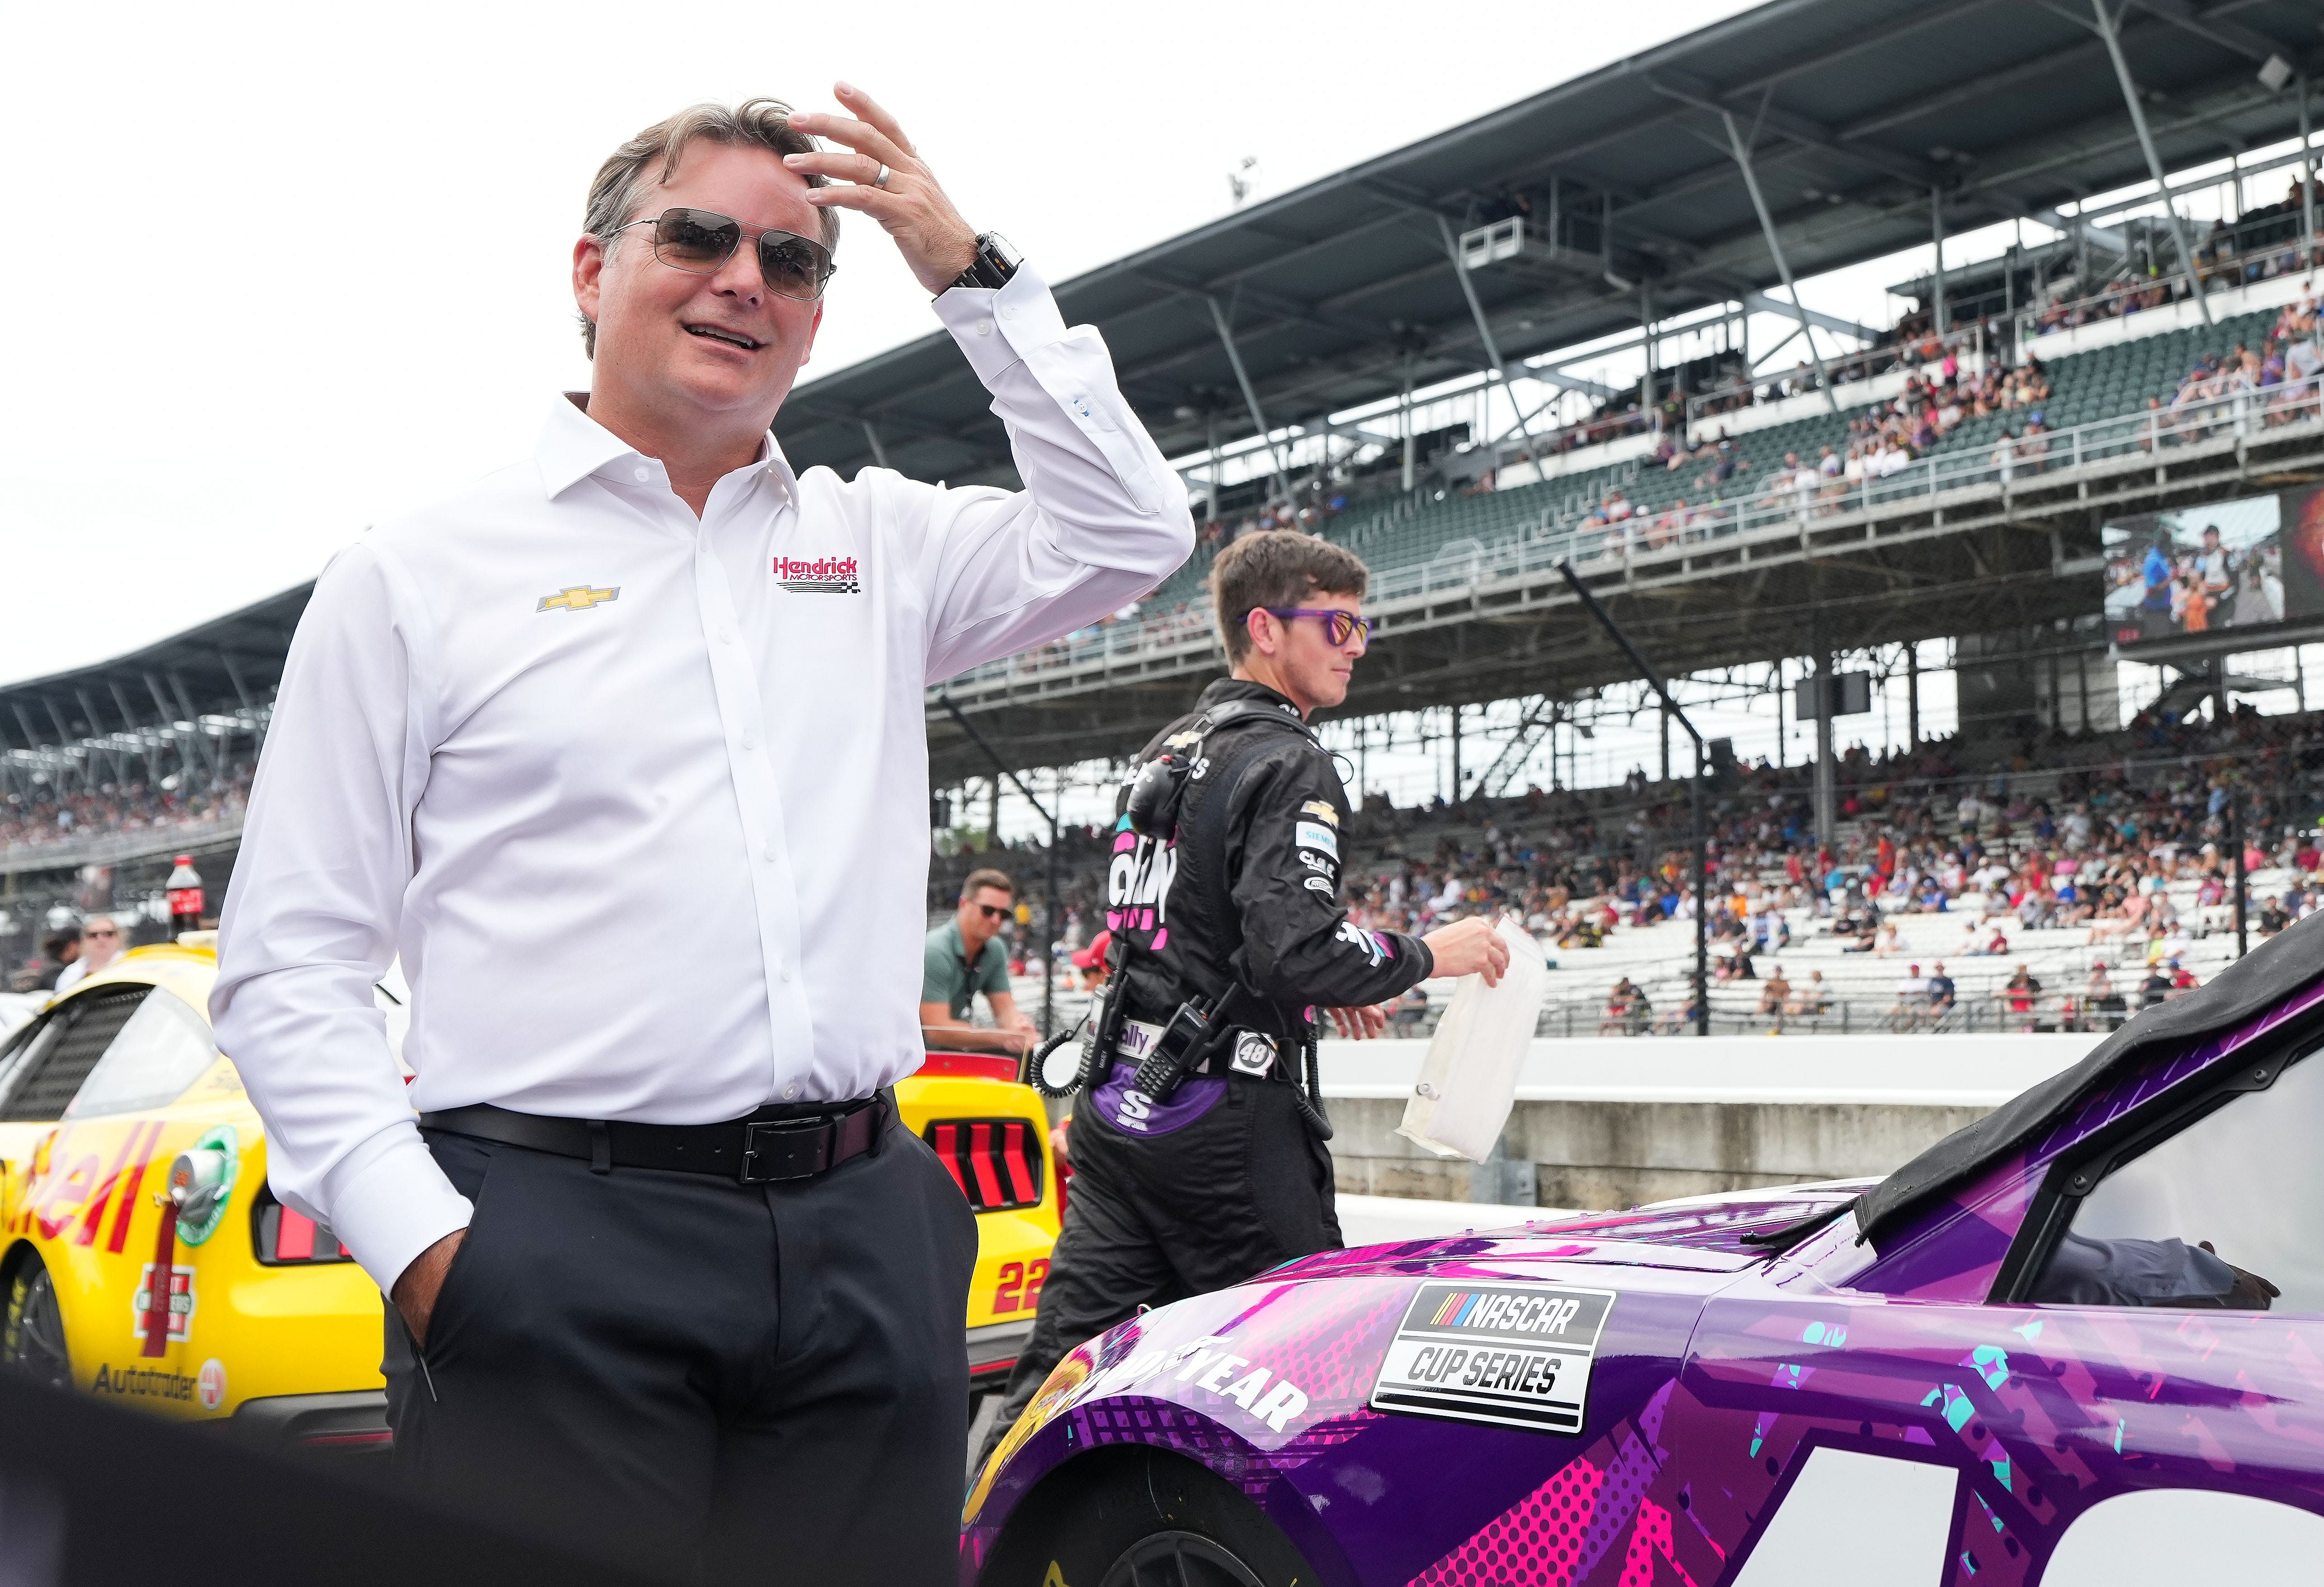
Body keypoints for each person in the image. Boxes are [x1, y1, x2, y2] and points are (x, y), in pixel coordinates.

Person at [210, 91, 1194, 1582]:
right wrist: (435, 1255)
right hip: (546, 1238)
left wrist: (970, 276)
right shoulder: (414, 576)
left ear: (811, 325)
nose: (747, 278)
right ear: (593, 270)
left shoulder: (877, 544)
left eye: (794, 262)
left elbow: (1131, 531)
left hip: (865, 1232)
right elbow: (289, 964)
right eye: (700, 236)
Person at [975, 531, 1508, 1473]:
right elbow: (1293, 945)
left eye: (1362, 623)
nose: (1357, 643)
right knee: (1308, 1379)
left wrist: (1310, 990)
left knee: (1056, 1378)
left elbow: (1186, 934)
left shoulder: (1171, 748)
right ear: (1265, 629)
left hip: (1117, 1110)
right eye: (1336, 622)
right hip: (1220, 1129)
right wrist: (1429, 952)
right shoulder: (1284, 756)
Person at [922, 869, 1036, 1055]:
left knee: (1024, 1053)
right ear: (963, 904)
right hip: (912, 1058)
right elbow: (936, 1030)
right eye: (988, 910)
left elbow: (1005, 1009)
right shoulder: (935, 949)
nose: (996, 920)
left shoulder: (995, 948)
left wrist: (1019, 1026)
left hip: (944, 1052)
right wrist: (1005, 1036)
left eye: (1004, 914)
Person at [49, 914, 123, 996]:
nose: (101, 939)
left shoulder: (131, 963)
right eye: (93, 935)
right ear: (84, 940)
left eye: (109, 934)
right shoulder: (71, 973)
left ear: (119, 937)